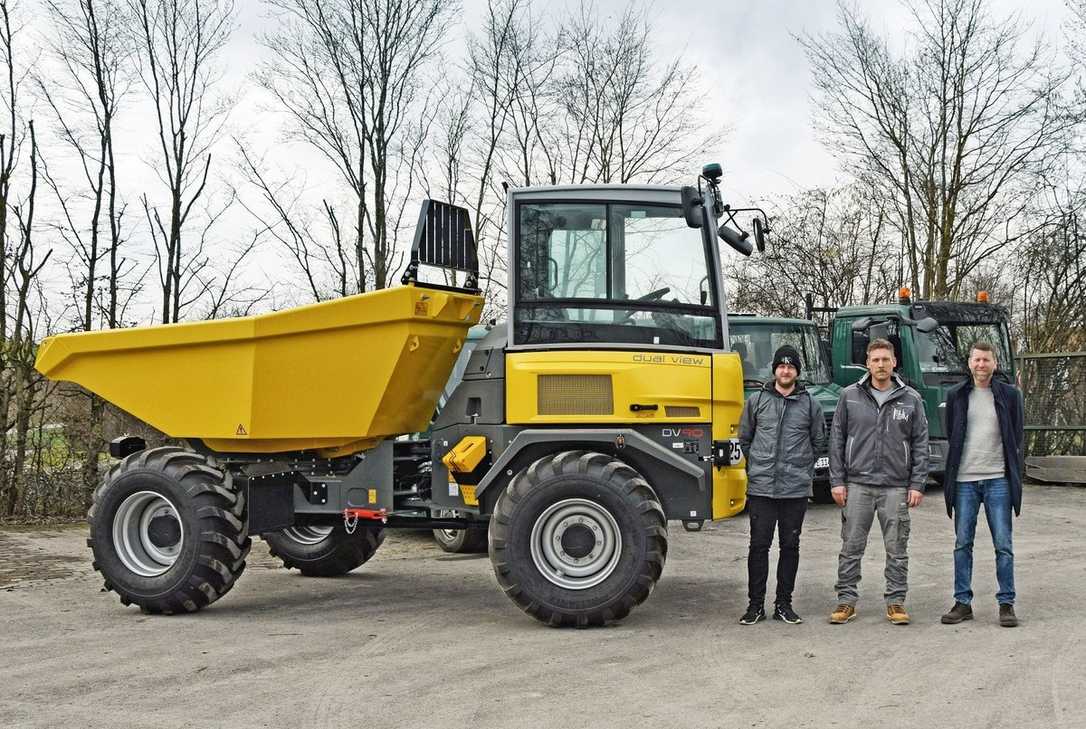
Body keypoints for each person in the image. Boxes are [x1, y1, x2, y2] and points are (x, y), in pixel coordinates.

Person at [828, 338, 929, 625]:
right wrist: (837, 480)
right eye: (875, 360)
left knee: (897, 548)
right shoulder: (849, 396)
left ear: (894, 362)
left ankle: (896, 602)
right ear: (868, 363)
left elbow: (921, 443)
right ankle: (846, 601)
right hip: (857, 483)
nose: (881, 364)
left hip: (896, 486)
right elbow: (836, 440)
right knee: (851, 547)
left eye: (886, 359)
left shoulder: (911, 399)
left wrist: (917, 484)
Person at [737, 345, 826, 625]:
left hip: (795, 489)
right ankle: (755, 606)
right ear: (774, 369)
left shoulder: (810, 404)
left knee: (790, 546)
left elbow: (818, 442)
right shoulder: (757, 401)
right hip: (762, 488)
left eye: (791, 367)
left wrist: (800, 466)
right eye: (781, 366)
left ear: (797, 372)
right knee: (758, 546)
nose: (785, 371)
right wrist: (759, 464)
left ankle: (784, 604)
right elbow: (745, 438)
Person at [940, 341, 1025, 628]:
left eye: (986, 360)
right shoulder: (956, 395)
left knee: (1003, 544)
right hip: (964, 480)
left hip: (997, 479)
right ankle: (962, 602)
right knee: (963, 543)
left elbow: (1016, 435)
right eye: (976, 360)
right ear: (969, 363)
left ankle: (1006, 603)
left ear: (995, 363)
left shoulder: (1010, 396)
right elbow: (952, 432)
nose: (981, 365)